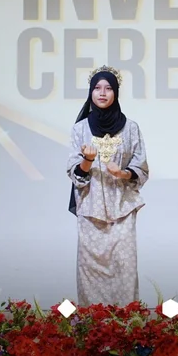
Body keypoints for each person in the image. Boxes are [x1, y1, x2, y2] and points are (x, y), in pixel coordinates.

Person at [67, 65, 149, 306]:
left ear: (116, 93)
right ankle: (93, 331)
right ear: (90, 92)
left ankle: (125, 330)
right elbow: (74, 173)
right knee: (90, 272)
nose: (102, 93)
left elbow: (142, 168)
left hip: (122, 208)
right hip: (90, 209)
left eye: (108, 88)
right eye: (97, 88)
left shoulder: (131, 127)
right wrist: (87, 160)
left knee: (124, 269)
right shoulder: (79, 129)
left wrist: (122, 173)